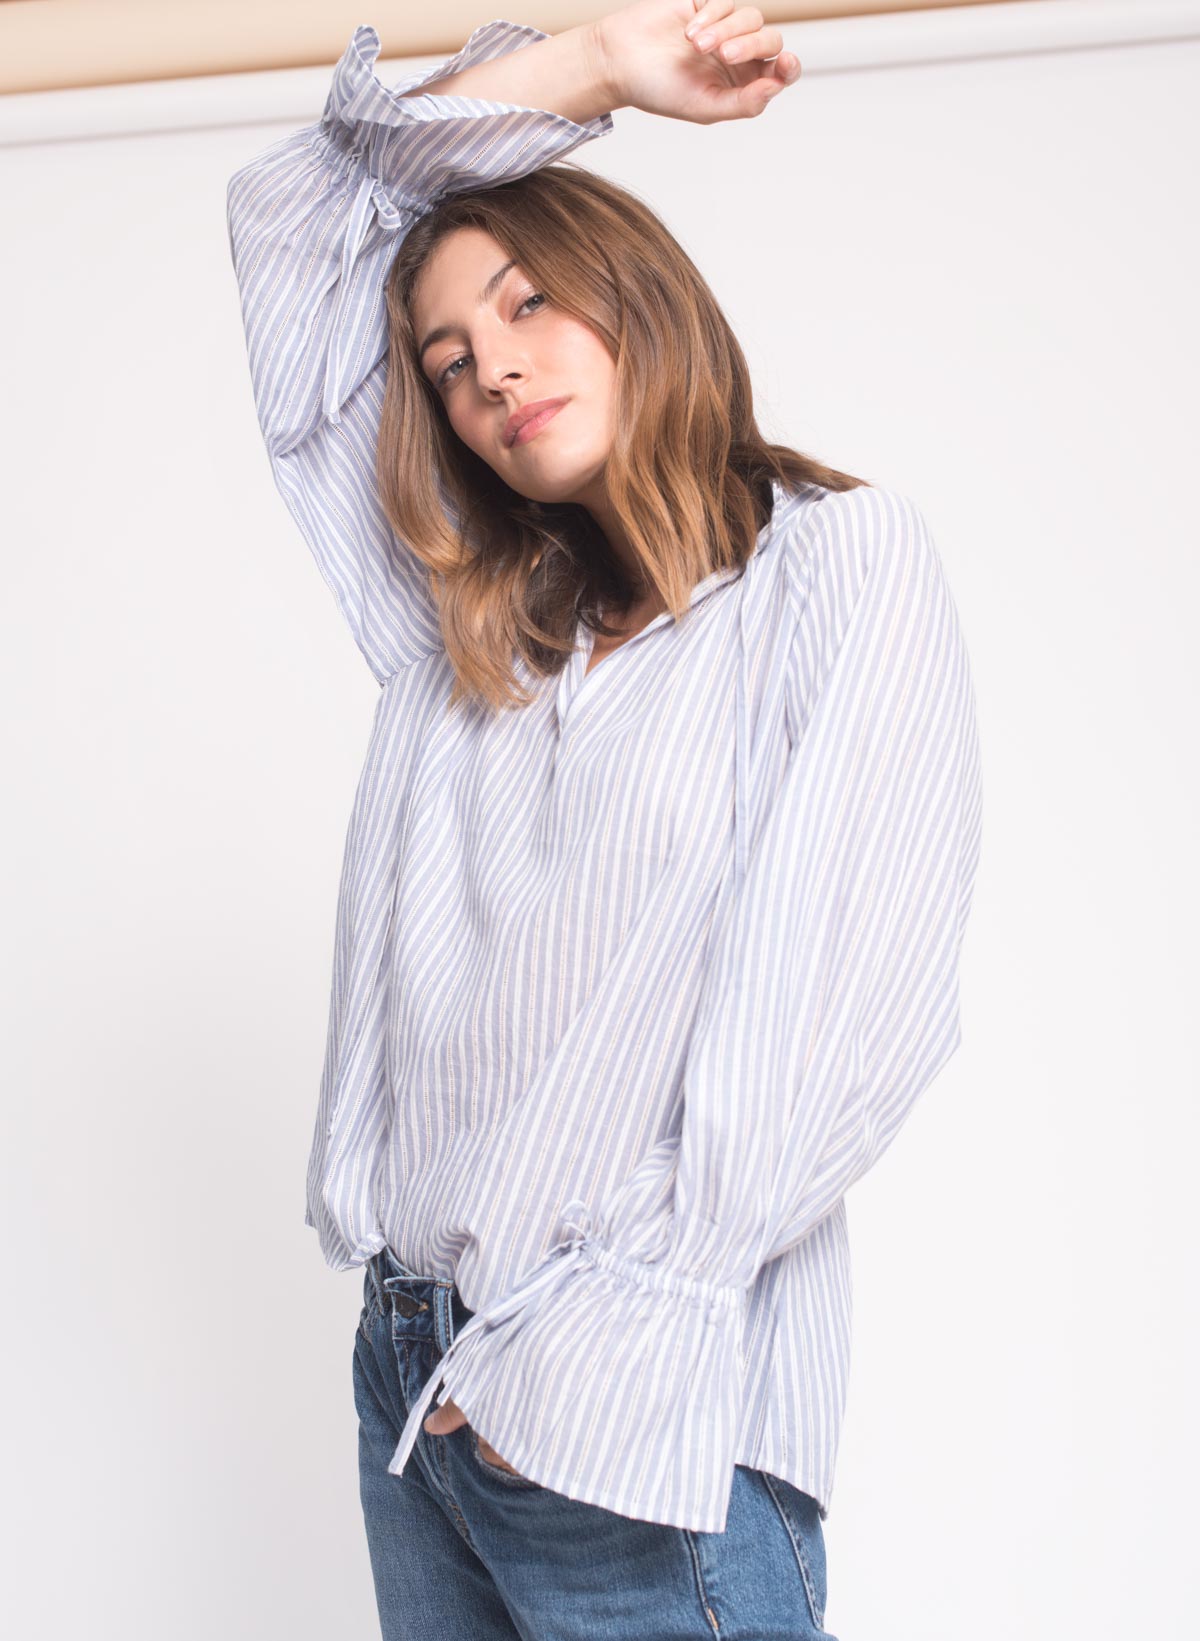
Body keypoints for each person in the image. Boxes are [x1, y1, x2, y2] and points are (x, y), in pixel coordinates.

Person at [225, 2, 982, 1636]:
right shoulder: (466, 642)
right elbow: (291, 218)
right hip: (416, 1373)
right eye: (447, 361)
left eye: (528, 301)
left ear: (639, 298)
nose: (491, 366)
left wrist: (594, 1332)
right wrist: (592, 68)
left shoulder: (831, 577)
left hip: (629, 1398)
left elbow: (850, 1011)